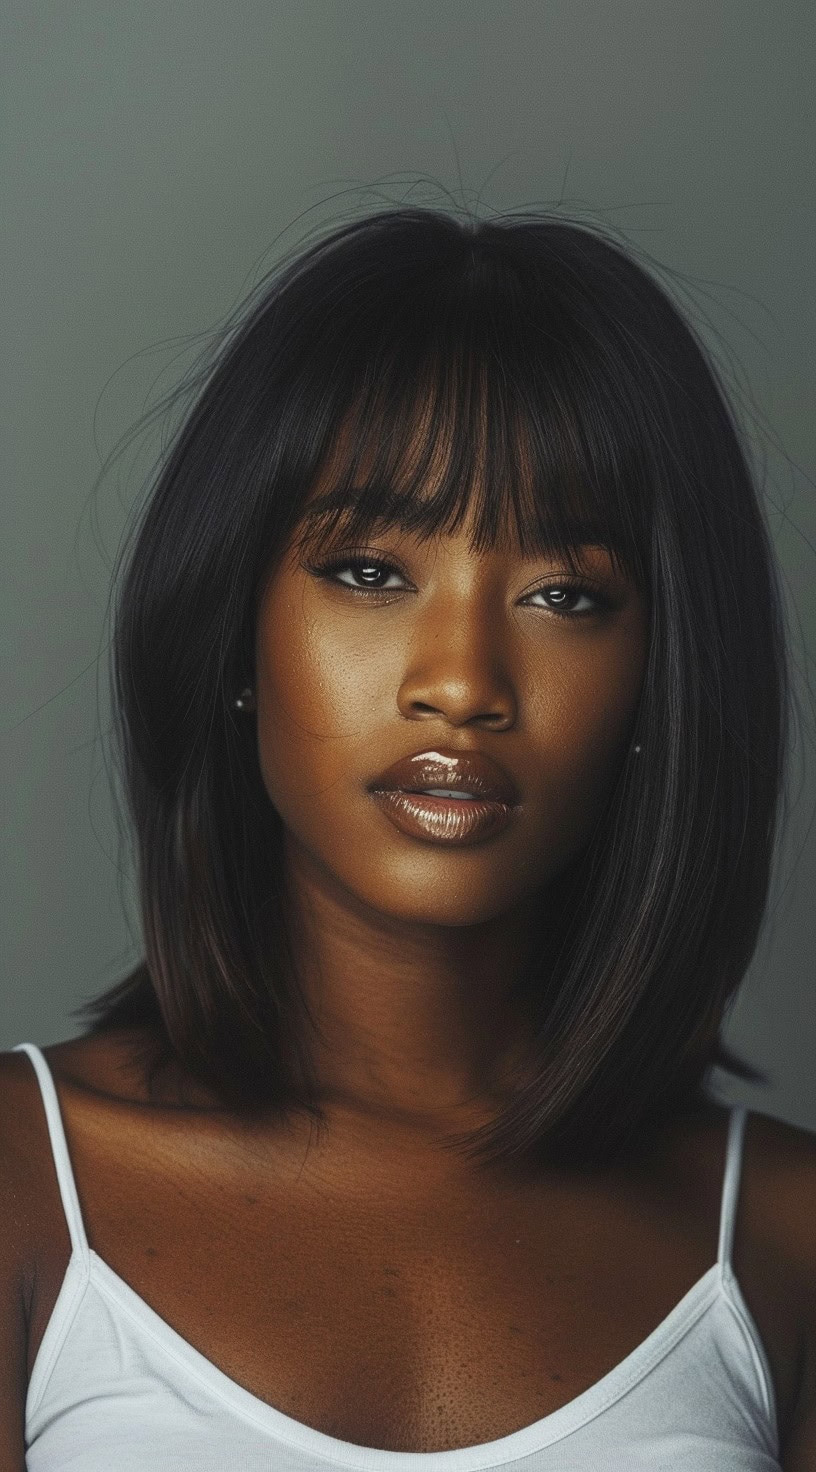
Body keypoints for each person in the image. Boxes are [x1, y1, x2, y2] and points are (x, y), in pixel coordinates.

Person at [1, 204, 814, 1470]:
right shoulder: (21, 1182)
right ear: (235, 630)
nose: (462, 679)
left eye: (565, 593)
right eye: (372, 571)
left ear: (662, 675)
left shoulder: (785, 1237)